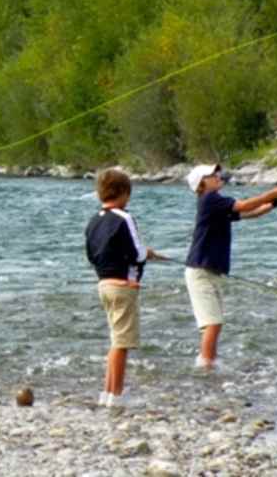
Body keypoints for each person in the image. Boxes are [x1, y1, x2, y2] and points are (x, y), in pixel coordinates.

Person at [184, 163, 277, 369]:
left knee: (214, 324)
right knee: (212, 324)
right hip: (200, 272)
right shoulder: (210, 200)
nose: (217, 175)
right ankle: (206, 367)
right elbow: (246, 205)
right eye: (212, 174)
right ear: (202, 184)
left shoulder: (217, 204)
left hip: (209, 271)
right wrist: (275, 191)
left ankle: (208, 364)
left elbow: (252, 213)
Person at [85, 167, 164, 407]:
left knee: (115, 341)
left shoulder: (93, 220)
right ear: (123, 193)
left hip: (103, 284)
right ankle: (116, 396)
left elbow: (92, 254)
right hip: (123, 285)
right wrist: (147, 253)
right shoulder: (124, 217)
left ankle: (107, 393)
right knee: (122, 343)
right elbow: (136, 252)